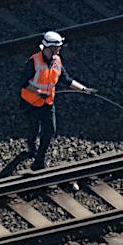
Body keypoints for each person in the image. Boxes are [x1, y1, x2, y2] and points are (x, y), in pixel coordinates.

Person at [19, 29, 90, 172]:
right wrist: (39, 92)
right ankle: (31, 145)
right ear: (49, 48)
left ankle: (40, 159)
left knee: (50, 130)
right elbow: (24, 83)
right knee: (34, 127)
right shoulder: (33, 62)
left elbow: (66, 80)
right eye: (57, 47)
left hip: (47, 103)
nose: (59, 50)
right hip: (31, 103)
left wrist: (85, 90)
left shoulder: (57, 61)